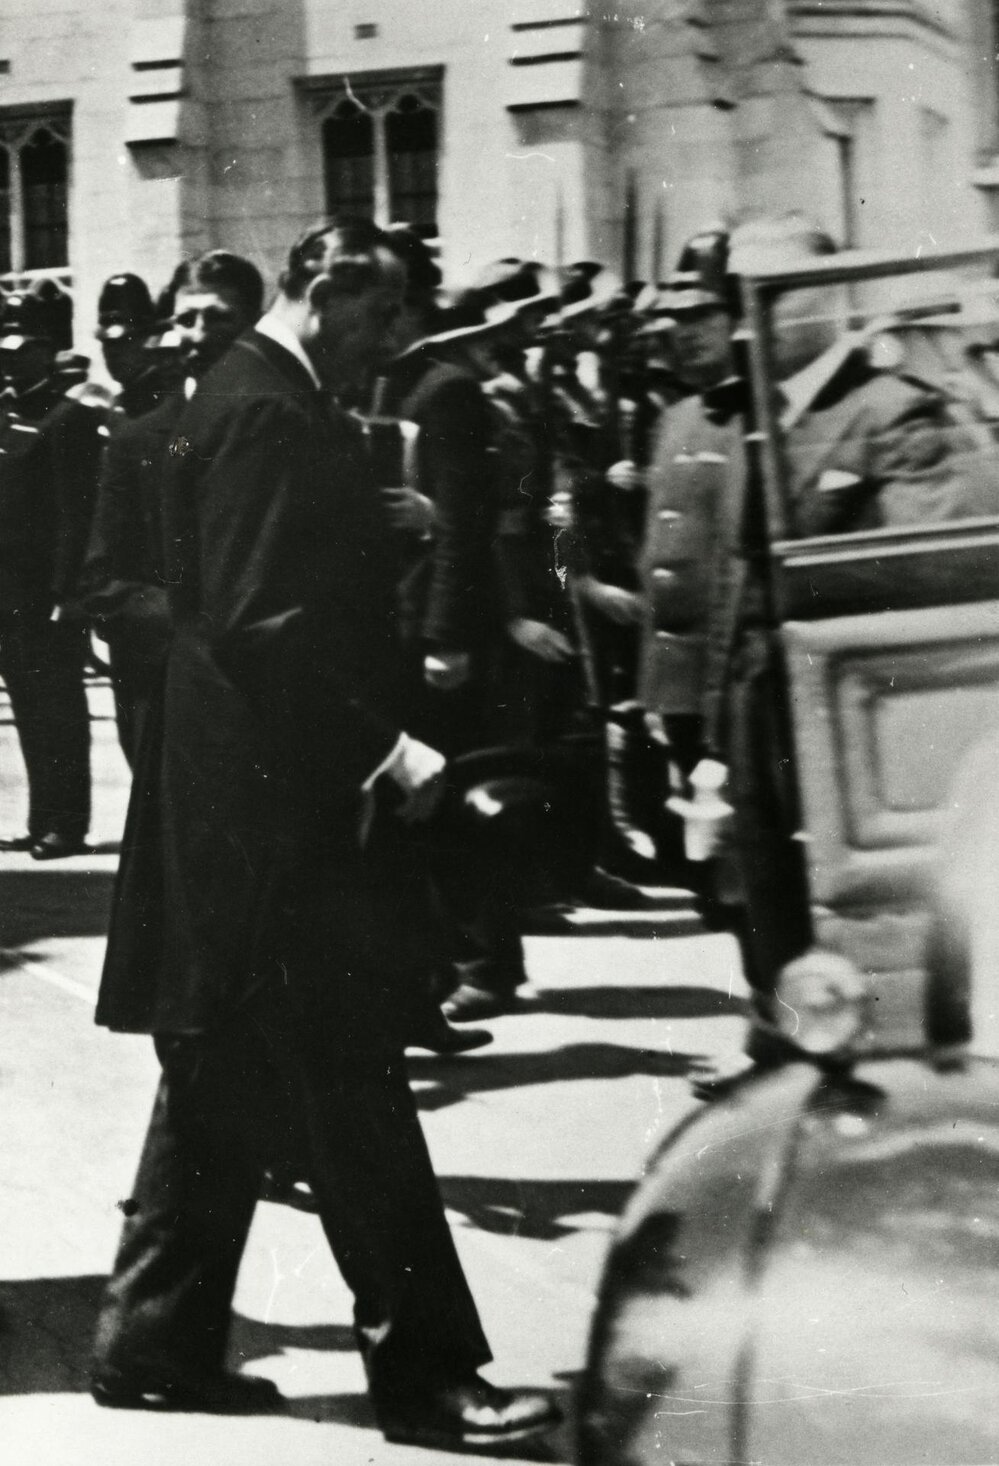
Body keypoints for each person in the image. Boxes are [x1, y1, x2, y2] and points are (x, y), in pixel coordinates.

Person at [89, 217, 560, 1452]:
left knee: (220, 1074)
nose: (390, 341)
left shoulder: (248, 396)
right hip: (270, 824)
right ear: (326, 290)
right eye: (382, 313)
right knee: (354, 1087)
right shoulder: (268, 412)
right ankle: (432, 1378)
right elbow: (257, 621)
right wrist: (386, 745)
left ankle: (154, 1347)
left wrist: (373, 522)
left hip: (227, 809)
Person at [79, 254, 265, 765]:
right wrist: (192, 628)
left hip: (267, 695)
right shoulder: (136, 440)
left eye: (219, 317)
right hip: (162, 691)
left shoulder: (286, 427)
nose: (200, 334)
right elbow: (102, 580)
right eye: (187, 319)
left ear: (252, 326)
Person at [0, 281, 103, 859]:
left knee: (59, 709)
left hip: (47, 595)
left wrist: (71, 591)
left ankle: (67, 823)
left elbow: (74, 515)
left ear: (48, 350)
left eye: (24, 348)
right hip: (7, 593)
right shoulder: (6, 412)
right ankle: (40, 816)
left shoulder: (69, 420)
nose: (11, 357)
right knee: (29, 711)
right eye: (6, 347)